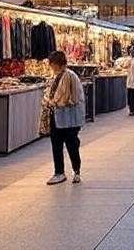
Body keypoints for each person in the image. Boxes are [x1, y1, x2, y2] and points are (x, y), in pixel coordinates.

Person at [44, 50, 85, 185]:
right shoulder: (58, 76)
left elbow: (70, 98)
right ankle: (59, 172)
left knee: (71, 145)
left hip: (69, 119)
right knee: (57, 145)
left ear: (58, 64)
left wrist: (53, 102)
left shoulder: (69, 76)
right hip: (59, 117)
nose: (51, 66)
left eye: (52, 64)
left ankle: (76, 171)